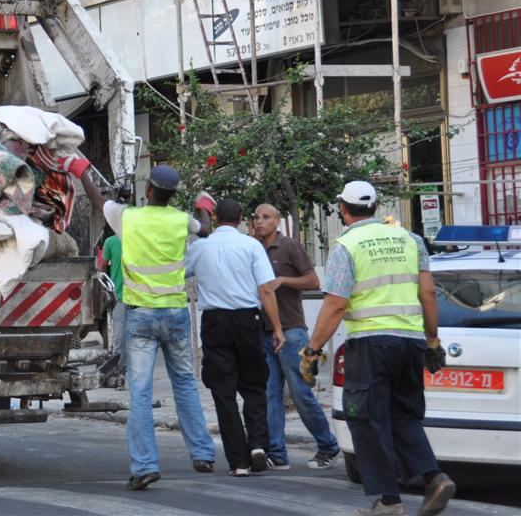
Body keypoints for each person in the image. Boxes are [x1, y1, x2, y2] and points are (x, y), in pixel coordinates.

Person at [303, 181, 455, 516]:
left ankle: (388, 501)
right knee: (403, 416)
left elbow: (335, 305)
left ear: (343, 209)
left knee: (367, 419)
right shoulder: (411, 239)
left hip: (370, 345)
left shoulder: (347, 245)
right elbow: (428, 294)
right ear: (375, 206)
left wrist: (313, 349)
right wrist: (432, 340)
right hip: (411, 342)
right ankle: (435, 477)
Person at [76, 162, 217, 490]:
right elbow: (205, 229)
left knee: (140, 391)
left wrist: (81, 169)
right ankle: (202, 453)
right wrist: (205, 206)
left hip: (140, 317)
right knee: (184, 381)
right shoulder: (182, 220)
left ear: (149, 191)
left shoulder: (128, 217)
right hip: (176, 314)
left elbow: (98, 199)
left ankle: (144, 466)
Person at [185, 198, 284, 477]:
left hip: (215, 323)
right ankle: (257, 444)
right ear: (243, 219)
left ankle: (238, 461)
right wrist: (276, 328)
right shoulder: (251, 245)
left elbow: (180, 273)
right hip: (247, 320)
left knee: (223, 391)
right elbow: (266, 290)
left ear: (215, 218)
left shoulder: (200, 247)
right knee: (254, 385)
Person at [251, 203, 341, 471]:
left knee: (301, 393)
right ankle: (277, 452)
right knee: (270, 395)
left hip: (291, 331)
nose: (259, 222)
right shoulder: (253, 248)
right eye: (256, 217)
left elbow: (314, 281)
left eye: (266, 217)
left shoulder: (289, 247)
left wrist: (283, 281)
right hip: (263, 331)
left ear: (277, 222)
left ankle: (328, 446)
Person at [97, 226, 126, 388]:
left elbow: (102, 269)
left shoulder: (139, 239)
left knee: (131, 339)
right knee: (120, 339)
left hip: (140, 298)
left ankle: (125, 373)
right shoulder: (111, 242)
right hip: (120, 297)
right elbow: (103, 268)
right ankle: (120, 373)